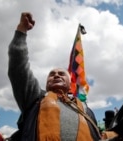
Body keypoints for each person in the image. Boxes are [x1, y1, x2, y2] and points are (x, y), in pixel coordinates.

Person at [8, 12, 100, 141]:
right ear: (46, 84)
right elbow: (18, 67)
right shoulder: (35, 99)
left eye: (61, 74)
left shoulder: (86, 110)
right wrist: (21, 30)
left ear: (70, 84)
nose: (56, 75)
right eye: (51, 74)